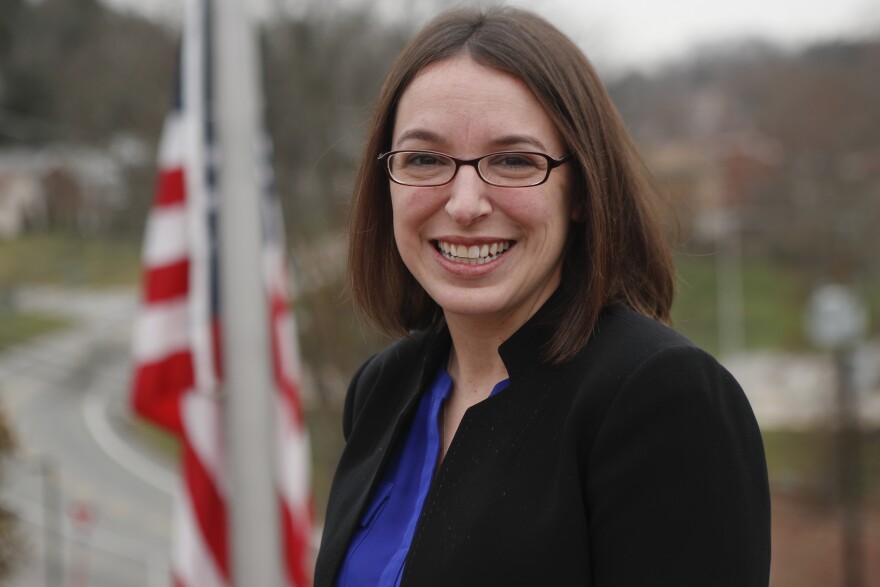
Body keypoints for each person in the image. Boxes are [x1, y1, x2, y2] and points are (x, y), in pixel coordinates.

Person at [315, 7, 771, 587]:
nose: (464, 203)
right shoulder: (382, 389)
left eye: (512, 161)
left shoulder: (661, 400)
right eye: (425, 159)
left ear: (580, 190)